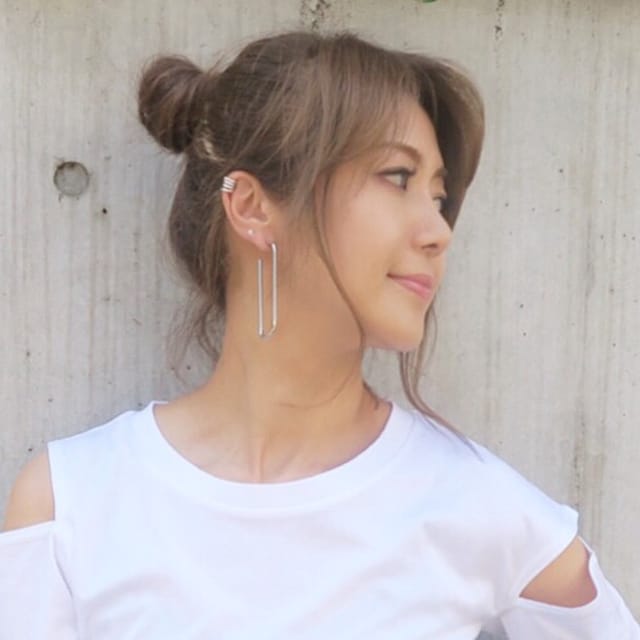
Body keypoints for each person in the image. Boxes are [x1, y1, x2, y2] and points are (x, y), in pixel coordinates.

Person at [1, 30, 638, 640]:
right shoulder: (72, 504)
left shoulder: (473, 507)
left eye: (439, 197)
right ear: (251, 206)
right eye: (399, 178)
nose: (439, 231)